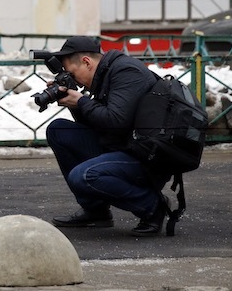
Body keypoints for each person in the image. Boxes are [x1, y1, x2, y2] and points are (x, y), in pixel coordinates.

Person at [44, 36, 171, 236]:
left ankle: (152, 206)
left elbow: (115, 120)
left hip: (147, 158)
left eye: (72, 73)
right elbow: (100, 125)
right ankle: (96, 211)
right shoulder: (106, 74)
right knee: (59, 130)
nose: (73, 79)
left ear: (86, 62)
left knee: (84, 176)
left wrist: (82, 102)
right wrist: (76, 104)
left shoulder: (126, 72)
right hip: (124, 146)